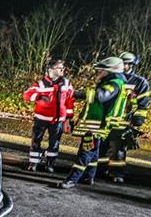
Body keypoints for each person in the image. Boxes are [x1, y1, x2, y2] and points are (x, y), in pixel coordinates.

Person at [59, 57, 127, 189]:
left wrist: (76, 94)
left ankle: (71, 180)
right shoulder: (115, 82)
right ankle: (88, 177)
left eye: (100, 70)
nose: (98, 72)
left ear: (110, 70)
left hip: (95, 125)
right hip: (96, 124)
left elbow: (101, 96)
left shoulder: (113, 83)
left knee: (85, 152)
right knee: (94, 153)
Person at [99, 51, 149, 183]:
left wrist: (138, 119)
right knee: (102, 146)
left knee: (118, 149)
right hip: (106, 118)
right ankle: (99, 169)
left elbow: (143, 103)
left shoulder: (139, 82)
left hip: (123, 121)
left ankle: (117, 173)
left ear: (132, 65)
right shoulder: (111, 78)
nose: (123, 65)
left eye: (125, 63)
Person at [22, 59, 75, 172]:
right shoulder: (41, 84)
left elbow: (70, 101)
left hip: (58, 120)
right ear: (50, 70)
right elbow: (27, 95)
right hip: (41, 119)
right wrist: (39, 97)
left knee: (54, 143)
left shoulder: (66, 83)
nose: (62, 70)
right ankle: (33, 163)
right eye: (59, 68)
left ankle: (50, 163)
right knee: (36, 141)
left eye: (63, 68)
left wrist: (68, 119)